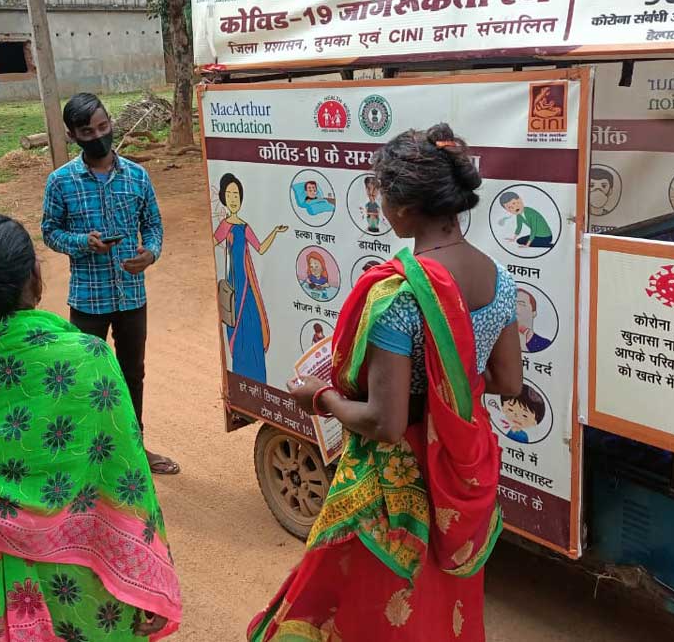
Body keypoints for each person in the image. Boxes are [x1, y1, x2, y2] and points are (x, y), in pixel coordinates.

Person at [250, 124, 523, 641]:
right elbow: (509, 380)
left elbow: (385, 422)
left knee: (373, 606)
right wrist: (452, 386)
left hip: (399, 484)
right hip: (462, 466)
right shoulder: (499, 278)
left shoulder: (399, 296)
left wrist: (321, 397)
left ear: (403, 206)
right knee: (444, 605)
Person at [0, 213, 182, 642]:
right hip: (91, 586)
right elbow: (126, 476)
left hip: (0, 588)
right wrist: (147, 575)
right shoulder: (90, 359)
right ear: (35, 277)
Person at [42, 93, 179, 475]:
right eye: (88, 131)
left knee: (132, 373)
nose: (99, 136)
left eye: (104, 127)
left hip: (132, 296)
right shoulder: (61, 182)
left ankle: (134, 449)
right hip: (87, 300)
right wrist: (82, 243)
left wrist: (150, 253)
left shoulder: (137, 176)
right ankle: (89, 456)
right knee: (85, 379)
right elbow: (49, 232)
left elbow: (152, 225)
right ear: (74, 135)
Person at [214, 172, 288, 384]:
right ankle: (242, 381)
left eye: (236, 194)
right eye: (229, 195)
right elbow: (213, 243)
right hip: (234, 286)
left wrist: (274, 231)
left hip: (249, 287)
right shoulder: (225, 226)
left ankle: (258, 379)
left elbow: (260, 248)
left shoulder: (244, 226)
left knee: (253, 328)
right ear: (223, 198)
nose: (233, 199)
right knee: (237, 333)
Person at [516, 288, 553, 353]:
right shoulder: (498, 338)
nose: (515, 307)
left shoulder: (544, 344)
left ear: (534, 313)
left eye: (521, 304)